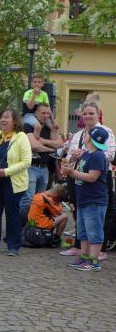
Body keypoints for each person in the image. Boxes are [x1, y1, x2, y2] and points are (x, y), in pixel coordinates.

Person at [60, 102, 115, 259]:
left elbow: (110, 154)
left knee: (99, 215)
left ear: (98, 114)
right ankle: (80, 247)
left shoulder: (106, 131)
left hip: (99, 177)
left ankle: (99, 251)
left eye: (91, 113)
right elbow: (68, 157)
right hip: (77, 175)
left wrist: (85, 154)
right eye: (85, 113)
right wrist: (72, 157)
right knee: (79, 210)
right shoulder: (78, 134)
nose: (88, 116)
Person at [0, 108, 32, 256]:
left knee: (12, 213)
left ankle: (13, 245)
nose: (3, 120)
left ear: (15, 121)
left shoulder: (21, 137)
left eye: (7, 117)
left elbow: (26, 161)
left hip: (13, 182)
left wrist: (5, 171)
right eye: (2, 117)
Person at [19, 102, 64, 218]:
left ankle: (35, 225)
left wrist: (43, 141)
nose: (46, 116)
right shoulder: (28, 126)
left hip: (45, 168)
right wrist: (50, 149)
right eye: (43, 113)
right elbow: (34, 146)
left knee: (39, 200)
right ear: (36, 113)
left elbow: (60, 143)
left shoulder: (49, 127)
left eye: (48, 113)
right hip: (31, 167)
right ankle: (22, 226)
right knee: (27, 199)